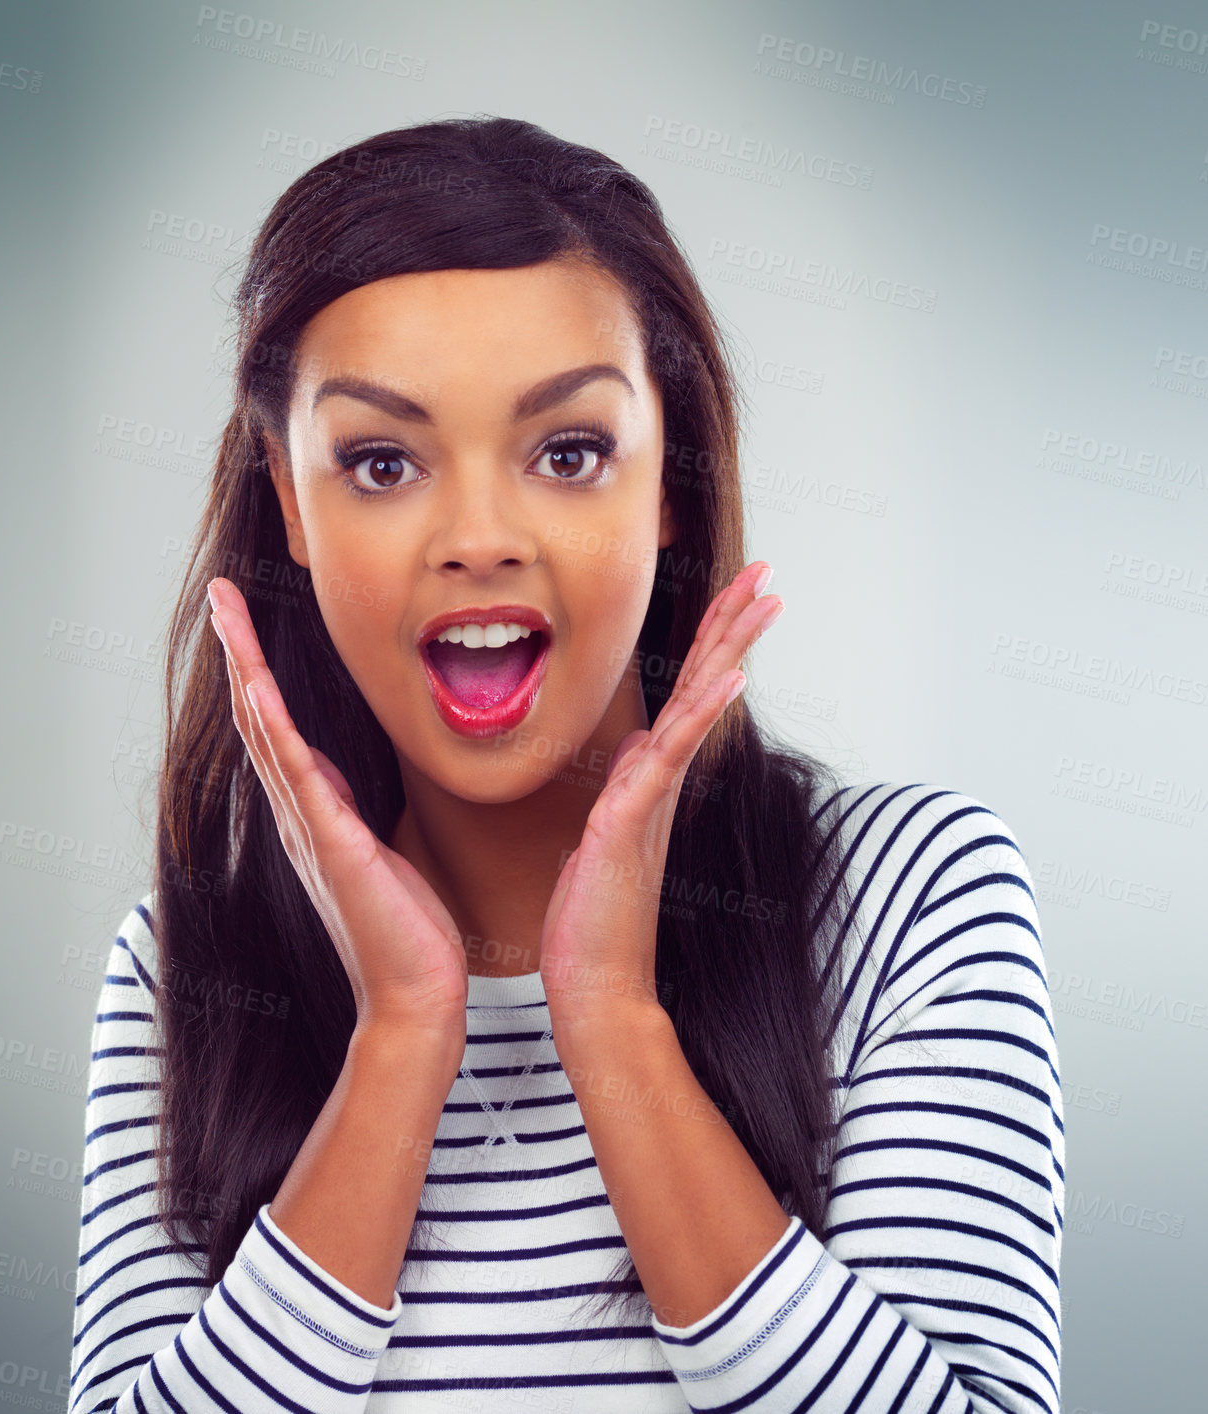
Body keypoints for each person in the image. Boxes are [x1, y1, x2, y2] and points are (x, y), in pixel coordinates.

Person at [69, 116, 1062, 1413]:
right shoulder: (189, 969)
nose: (478, 536)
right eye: (380, 460)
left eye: (567, 451)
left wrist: (613, 1020)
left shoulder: (907, 897)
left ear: (667, 480)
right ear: (291, 500)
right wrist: (401, 1037)